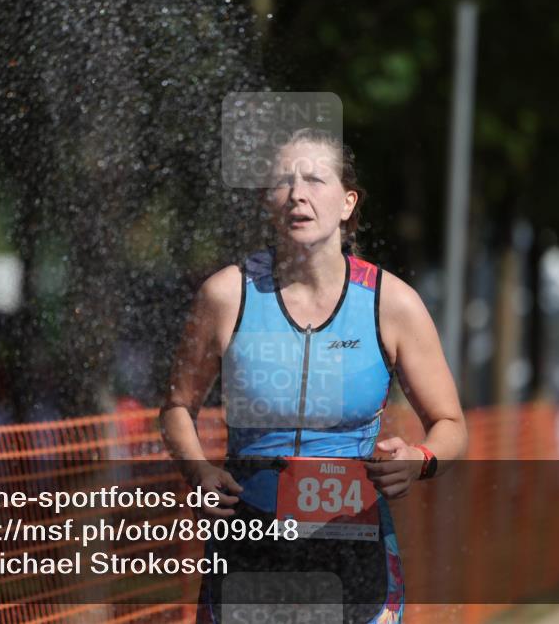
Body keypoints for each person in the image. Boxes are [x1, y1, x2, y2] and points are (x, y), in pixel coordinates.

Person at [160, 128, 468, 623]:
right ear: (269, 200)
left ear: (348, 203)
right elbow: (177, 407)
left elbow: (452, 424)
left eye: (315, 180)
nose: (298, 194)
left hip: (355, 548)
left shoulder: (393, 304)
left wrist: (420, 458)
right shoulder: (226, 296)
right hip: (250, 544)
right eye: (284, 181)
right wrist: (197, 471)